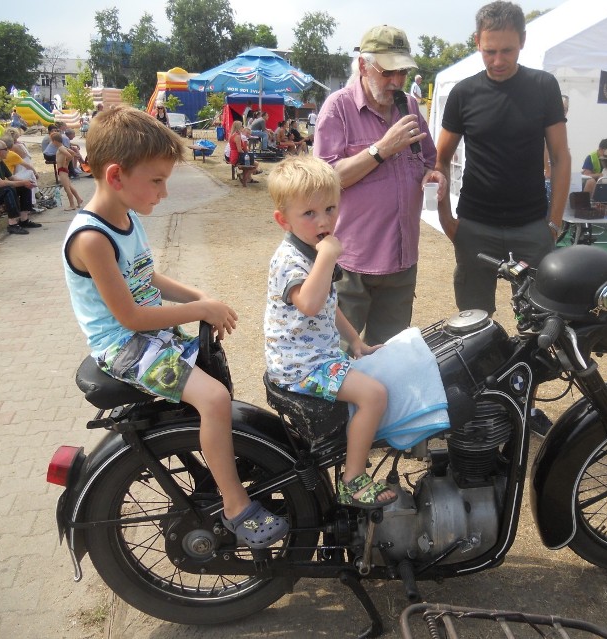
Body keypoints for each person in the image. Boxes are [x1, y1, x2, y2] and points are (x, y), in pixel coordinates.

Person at [61, 107, 288, 548]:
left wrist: (199, 298)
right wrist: (200, 311)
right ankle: (235, 504)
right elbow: (131, 317)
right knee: (215, 397)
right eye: (157, 180)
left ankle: (227, 464)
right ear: (116, 175)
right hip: (125, 346)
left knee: (215, 370)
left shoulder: (127, 218)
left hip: (146, 335)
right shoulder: (92, 238)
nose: (165, 192)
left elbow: (147, 278)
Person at [264, 155, 395, 508]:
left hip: (318, 355)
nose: (323, 221)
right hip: (301, 366)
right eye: (309, 214)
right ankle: (352, 480)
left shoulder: (313, 250)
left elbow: (327, 302)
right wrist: (327, 257)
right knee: (374, 396)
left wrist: (355, 341)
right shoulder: (291, 258)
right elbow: (308, 302)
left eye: (330, 209)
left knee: (382, 375)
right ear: (283, 220)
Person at [313, 24, 445, 346]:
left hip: (401, 262)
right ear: (362, 65)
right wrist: (381, 149)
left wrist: (433, 174)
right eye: (388, 72)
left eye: (402, 72)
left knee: (390, 356)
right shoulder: (338, 108)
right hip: (351, 264)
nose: (397, 82)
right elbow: (325, 182)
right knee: (338, 355)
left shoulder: (410, 107)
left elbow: (429, 158)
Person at [435, 1, 569, 315]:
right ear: (477, 42)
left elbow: (561, 157)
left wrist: (554, 223)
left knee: (538, 321)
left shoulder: (543, 86)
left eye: (507, 50)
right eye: (489, 51)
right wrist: (446, 219)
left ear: (522, 40)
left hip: (531, 226)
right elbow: (440, 159)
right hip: (475, 225)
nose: (498, 61)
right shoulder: (463, 94)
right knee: (474, 324)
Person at [50, 131, 83, 210]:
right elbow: (73, 153)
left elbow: (69, 156)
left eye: (52, 141)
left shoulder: (61, 148)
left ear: (55, 141)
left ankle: (72, 205)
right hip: (63, 169)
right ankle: (79, 199)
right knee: (70, 186)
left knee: (66, 188)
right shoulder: (63, 147)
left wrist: (66, 163)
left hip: (62, 170)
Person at [227, 120, 258, 186]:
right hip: (237, 157)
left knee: (253, 163)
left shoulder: (233, 135)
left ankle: (247, 177)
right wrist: (246, 154)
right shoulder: (237, 136)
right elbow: (239, 150)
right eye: (242, 126)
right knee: (255, 164)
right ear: (239, 127)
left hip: (233, 156)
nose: (243, 127)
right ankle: (244, 176)